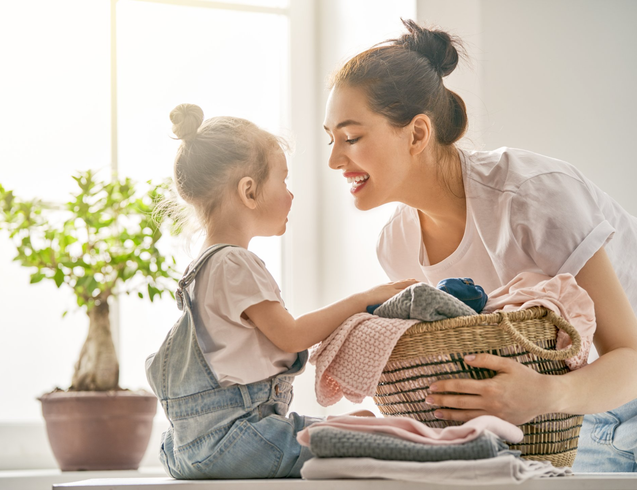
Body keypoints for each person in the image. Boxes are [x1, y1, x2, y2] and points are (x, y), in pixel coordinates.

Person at [322, 18, 637, 472]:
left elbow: (627, 353)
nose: (335, 160)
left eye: (351, 138)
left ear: (416, 134)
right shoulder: (396, 245)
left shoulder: (533, 196)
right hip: (565, 421)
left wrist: (546, 395)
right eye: (330, 139)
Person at [145, 104, 414, 479]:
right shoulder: (234, 263)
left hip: (189, 448)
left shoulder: (202, 268)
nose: (290, 195)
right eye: (283, 181)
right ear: (249, 191)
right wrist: (364, 299)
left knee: (360, 424)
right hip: (239, 440)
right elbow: (291, 336)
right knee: (378, 440)